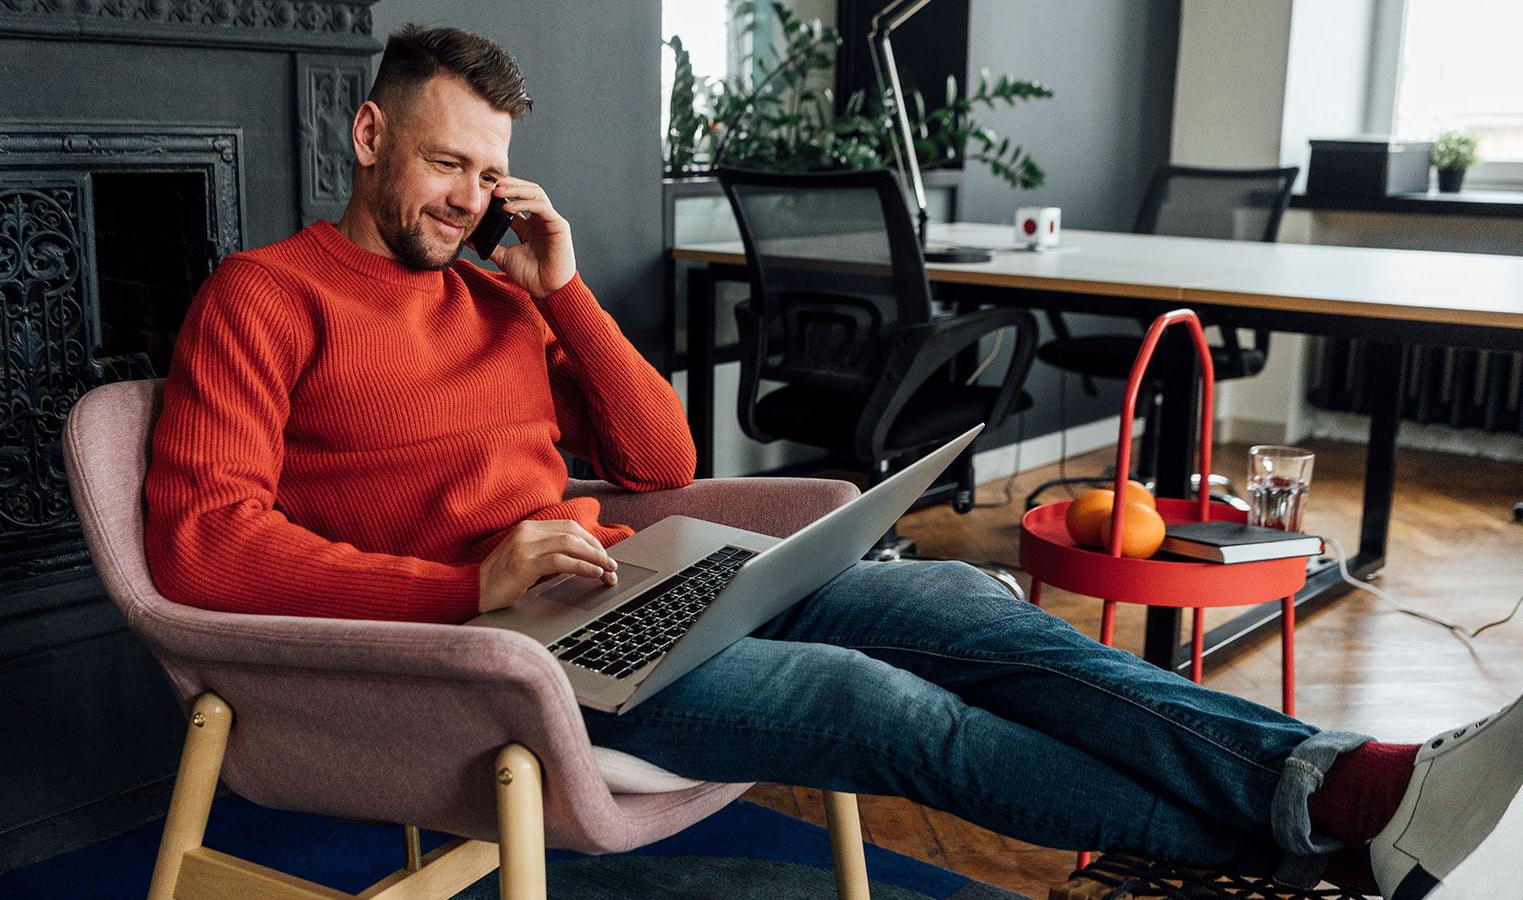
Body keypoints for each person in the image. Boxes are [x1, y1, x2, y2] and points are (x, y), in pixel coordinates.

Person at [143, 24, 1520, 900]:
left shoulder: (506, 291)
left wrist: (560, 291)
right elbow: (203, 546)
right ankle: (1306, 839)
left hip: (627, 583)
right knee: (883, 708)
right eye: (445, 164)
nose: (466, 200)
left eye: (489, 174)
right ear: (368, 134)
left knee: (969, 610)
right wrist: (468, 583)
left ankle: (1336, 784)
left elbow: (659, 454)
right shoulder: (264, 300)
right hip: (505, 658)